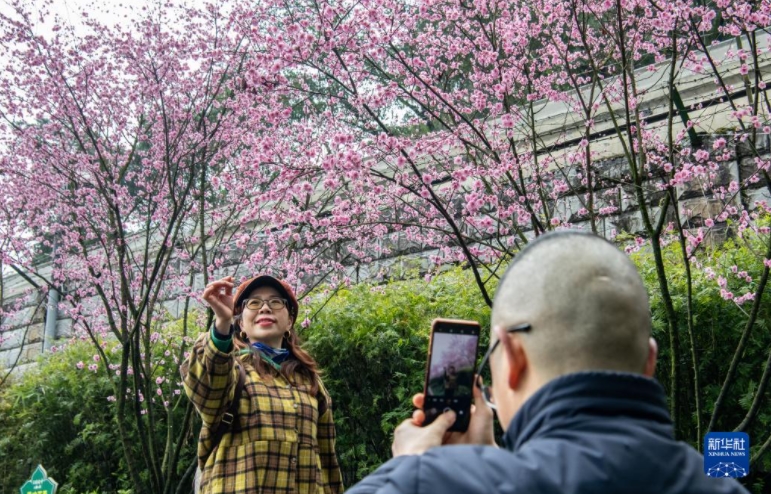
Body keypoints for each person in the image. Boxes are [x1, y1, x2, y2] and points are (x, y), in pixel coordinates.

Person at [346, 231, 749, 494]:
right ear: (649, 361)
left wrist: (414, 470)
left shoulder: (430, 483)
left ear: (514, 356)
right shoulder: (727, 488)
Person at [182, 274, 344, 494]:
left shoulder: (309, 383)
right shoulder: (231, 372)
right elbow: (207, 389)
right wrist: (222, 324)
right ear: (241, 323)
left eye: (276, 302)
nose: (265, 308)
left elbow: (326, 462)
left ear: (289, 322)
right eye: (254, 303)